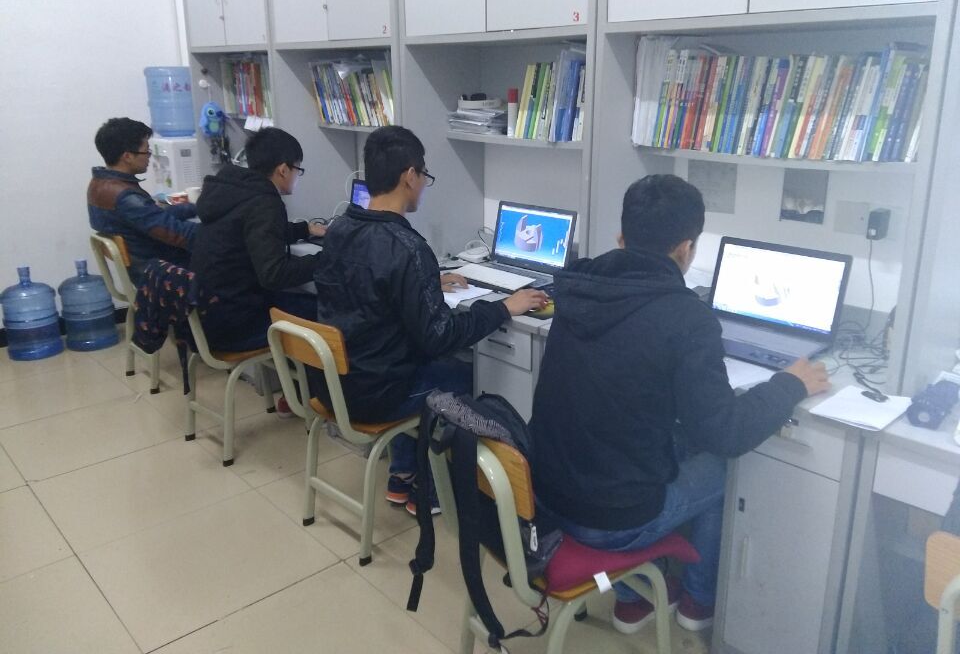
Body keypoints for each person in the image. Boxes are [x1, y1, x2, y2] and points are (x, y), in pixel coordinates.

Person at [529, 174, 829, 634]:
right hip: (607, 519)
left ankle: (633, 599)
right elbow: (726, 434)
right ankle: (697, 602)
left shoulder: (579, 285)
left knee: (664, 440)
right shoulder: (687, 316)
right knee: (722, 468)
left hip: (548, 496)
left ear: (622, 237)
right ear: (686, 249)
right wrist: (789, 384)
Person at [312, 125, 548, 515]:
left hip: (337, 383)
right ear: (410, 176)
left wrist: (424, 283)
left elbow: (367, 288)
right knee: (466, 375)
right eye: (424, 176)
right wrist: (504, 308)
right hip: (376, 394)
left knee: (416, 365)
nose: (423, 184)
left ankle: (402, 475)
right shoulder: (407, 248)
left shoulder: (340, 230)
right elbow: (440, 337)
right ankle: (432, 487)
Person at [189, 127, 326, 352]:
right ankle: (304, 375)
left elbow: (248, 232)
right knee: (325, 311)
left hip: (209, 313)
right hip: (234, 325)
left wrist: (304, 229)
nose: (296, 177)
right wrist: (326, 259)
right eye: (298, 170)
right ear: (283, 170)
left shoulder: (233, 190)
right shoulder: (265, 203)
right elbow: (274, 274)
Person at [87, 117, 198, 280]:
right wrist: (221, 229)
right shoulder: (126, 197)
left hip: (144, 268)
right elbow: (178, 233)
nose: (149, 157)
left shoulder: (99, 183)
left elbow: (155, 219)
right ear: (127, 156)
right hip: (161, 276)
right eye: (146, 151)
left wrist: (195, 207)